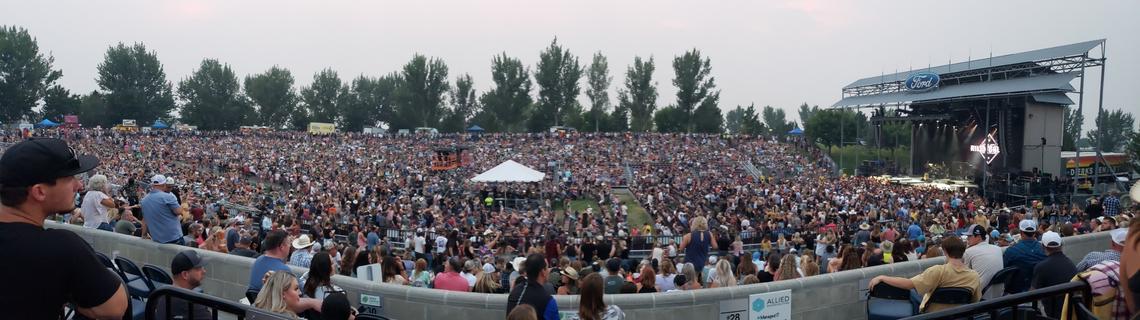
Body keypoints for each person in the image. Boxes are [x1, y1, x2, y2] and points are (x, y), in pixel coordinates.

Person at [0, 138, 128, 319]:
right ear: (39, 192)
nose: (79, 185)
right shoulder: (62, 246)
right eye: (70, 178)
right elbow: (114, 308)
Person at [868, 236, 980, 313]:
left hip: (933, 314)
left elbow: (908, 284)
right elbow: (975, 301)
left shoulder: (937, 271)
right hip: (960, 315)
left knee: (913, 293)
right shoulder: (974, 276)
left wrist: (882, 277)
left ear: (945, 251)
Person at [155, 250, 213, 320]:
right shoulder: (193, 306)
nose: (204, 271)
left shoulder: (163, 294)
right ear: (185, 275)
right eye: (198, 268)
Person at [1034, 231, 1078, 317]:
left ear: (1043, 246)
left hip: (1053, 314)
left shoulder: (1041, 267)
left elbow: (1033, 293)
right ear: (1061, 245)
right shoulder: (1070, 263)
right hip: (1071, 310)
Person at [507, 253, 559, 320]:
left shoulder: (515, 292)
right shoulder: (548, 300)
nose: (549, 270)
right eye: (547, 268)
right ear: (543, 272)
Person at [254, 271, 323, 318]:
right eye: (296, 289)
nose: (300, 293)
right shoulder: (287, 317)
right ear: (282, 293)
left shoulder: (254, 309)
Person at [141, 174, 186, 245]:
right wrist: (183, 202)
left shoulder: (144, 200)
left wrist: (144, 234)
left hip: (157, 239)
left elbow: (145, 220)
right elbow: (178, 211)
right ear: (164, 184)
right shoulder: (168, 197)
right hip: (174, 238)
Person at [1003, 219, 1046, 293]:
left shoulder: (1011, 251)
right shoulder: (1045, 249)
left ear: (1021, 232)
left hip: (1019, 295)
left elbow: (1004, 271)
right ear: (1034, 233)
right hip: (1041, 292)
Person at [962, 224, 1003, 299]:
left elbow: (965, 276)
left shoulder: (968, 252)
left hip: (981, 296)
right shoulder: (997, 248)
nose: (967, 239)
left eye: (970, 236)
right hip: (999, 294)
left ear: (978, 237)